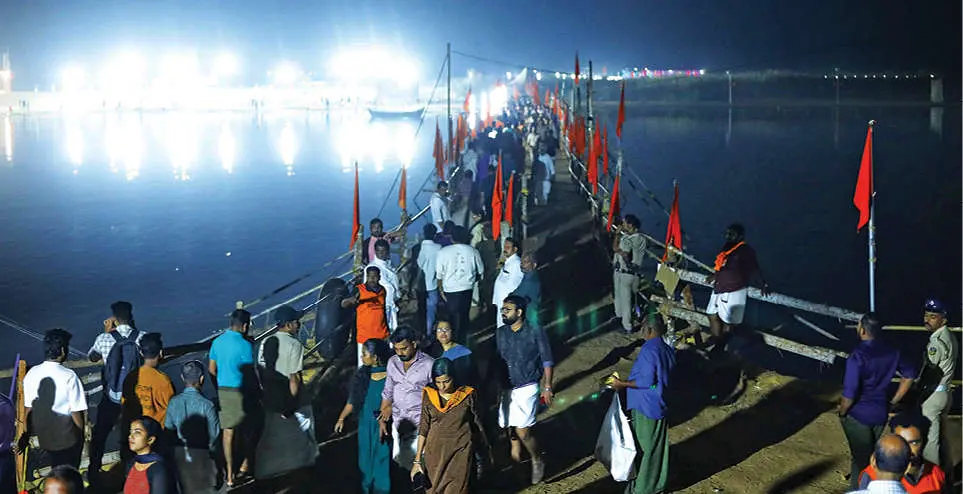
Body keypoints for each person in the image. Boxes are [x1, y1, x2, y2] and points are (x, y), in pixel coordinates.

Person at [837, 313, 916, 490]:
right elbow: (909, 375)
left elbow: (849, 393)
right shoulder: (892, 351)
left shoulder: (857, 356)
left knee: (861, 461)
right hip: (880, 412)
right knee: (870, 456)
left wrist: (842, 412)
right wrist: (893, 401)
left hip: (858, 415)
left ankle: (859, 490)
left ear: (863, 330)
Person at [609, 316, 676, 494]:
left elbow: (646, 381)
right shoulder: (667, 349)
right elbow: (656, 381)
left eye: (643, 327)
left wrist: (621, 384)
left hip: (646, 406)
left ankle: (643, 489)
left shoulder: (649, 350)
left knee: (645, 450)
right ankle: (655, 484)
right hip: (660, 403)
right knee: (657, 448)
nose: (641, 331)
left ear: (648, 329)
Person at [494, 295, 553, 485]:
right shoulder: (501, 333)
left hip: (527, 386)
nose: (503, 312)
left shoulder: (535, 330)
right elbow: (497, 360)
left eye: (507, 309)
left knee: (523, 431)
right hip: (506, 387)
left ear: (519, 312)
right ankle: (517, 472)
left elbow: (547, 359)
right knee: (511, 432)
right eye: (503, 309)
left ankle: (537, 458)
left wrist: (547, 386)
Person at [256, 305, 317, 479]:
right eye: (297, 322)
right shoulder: (295, 344)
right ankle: (305, 471)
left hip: (272, 399)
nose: (299, 324)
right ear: (288, 325)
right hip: (295, 401)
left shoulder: (265, 343)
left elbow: (261, 371)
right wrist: (290, 405)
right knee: (306, 433)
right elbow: (295, 379)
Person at [411, 358, 490, 493]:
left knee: (457, 488)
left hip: (460, 450)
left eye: (446, 381)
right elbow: (424, 427)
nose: (442, 387)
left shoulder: (467, 394)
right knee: (434, 489)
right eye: (438, 382)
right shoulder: (429, 395)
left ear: (454, 377)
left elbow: (477, 423)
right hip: (435, 452)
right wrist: (417, 460)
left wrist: (485, 448)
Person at [16, 329, 87, 469]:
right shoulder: (69, 376)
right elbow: (76, 412)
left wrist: (25, 434)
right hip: (66, 436)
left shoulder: (32, 374)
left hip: (45, 436)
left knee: (56, 469)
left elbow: (28, 409)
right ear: (62, 350)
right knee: (68, 474)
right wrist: (81, 437)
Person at [88, 301, 144, 476]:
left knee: (100, 436)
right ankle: (131, 471)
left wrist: (107, 331)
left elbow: (92, 357)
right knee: (132, 433)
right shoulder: (142, 336)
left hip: (111, 398)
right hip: (134, 398)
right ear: (131, 316)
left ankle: (94, 472)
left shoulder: (104, 338)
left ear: (114, 319)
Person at [335, 339, 393, 494]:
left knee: (382, 459)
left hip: (383, 425)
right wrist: (341, 418)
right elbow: (353, 401)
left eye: (364, 354)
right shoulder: (362, 376)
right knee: (365, 462)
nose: (362, 357)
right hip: (365, 424)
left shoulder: (392, 376)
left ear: (375, 357)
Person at [208, 309, 256, 488]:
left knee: (227, 435)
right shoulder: (245, 345)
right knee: (247, 431)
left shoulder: (217, 342)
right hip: (241, 391)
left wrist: (218, 386)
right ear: (244, 326)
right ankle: (244, 465)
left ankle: (229, 474)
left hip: (223, 391)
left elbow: (212, 370)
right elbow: (249, 373)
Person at [379, 327, 435, 477]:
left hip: (420, 427)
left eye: (404, 348)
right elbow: (388, 391)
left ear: (414, 344)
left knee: (422, 470)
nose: (400, 353)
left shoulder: (429, 364)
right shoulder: (392, 362)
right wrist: (382, 419)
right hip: (399, 425)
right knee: (402, 470)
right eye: (397, 349)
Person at [705, 224, 770, 347]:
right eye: (727, 233)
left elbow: (755, 268)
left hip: (733, 290)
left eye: (731, 234)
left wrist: (763, 283)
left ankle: (719, 347)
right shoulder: (728, 247)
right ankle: (717, 339)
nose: (727, 236)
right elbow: (723, 266)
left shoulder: (746, 251)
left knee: (728, 323)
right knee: (711, 314)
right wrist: (715, 275)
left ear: (740, 236)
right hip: (719, 287)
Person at [164, 361, 221, 494]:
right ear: (202, 379)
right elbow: (214, 436)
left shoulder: (173, 403)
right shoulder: (208, 405)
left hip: (181, 459)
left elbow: (168, 432)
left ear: (182, 378)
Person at [856, 412, 947, 493]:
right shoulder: (873, 474)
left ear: (925, 442)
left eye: (914, 443)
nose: (906, 449)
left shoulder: (937, 474)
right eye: (901, 441)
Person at [917, 298, 958, 472]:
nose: (927, 319)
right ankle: (946, 474)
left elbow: (931, 372)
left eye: (933, 316)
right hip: (945, 392)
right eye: (926, 315)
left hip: (933, 395)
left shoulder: (936, 343)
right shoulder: (950, 336)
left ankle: (930, 478)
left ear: (943, 320)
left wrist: (918, 392)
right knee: (942, 438)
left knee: (930, 442)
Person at [435, 226, 484, 344]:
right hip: (467, 288)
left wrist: (441, 290)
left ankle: (451, 341)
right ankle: (462, 341)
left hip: (449, 290)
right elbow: (480, 271)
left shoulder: (443, 251)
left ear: (452, 238)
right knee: (464, 315)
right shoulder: (473, 251)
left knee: (451, 316)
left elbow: (439, 275)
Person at [121, 333, 175, 428]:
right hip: (157, 430)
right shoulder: (163, 380)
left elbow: (125, 404)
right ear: (161, 353)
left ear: (141, 353)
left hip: (135, 428)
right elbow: (172, 409)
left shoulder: (131, 376)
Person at [342, 266, 390, 367]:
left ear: (379, 277)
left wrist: (388, 332)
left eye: (375, 276)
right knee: (364, 366)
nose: (372, 279)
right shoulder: (359, 290)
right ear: (366, 277)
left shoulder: (382, 290)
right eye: (369, 276)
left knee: (383, 363)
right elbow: (344, 303)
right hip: (365, 336)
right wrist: (350, 301)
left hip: (381, 335)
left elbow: (383, 311)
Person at [612, 215, 646, 333]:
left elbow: (617, 249)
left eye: (624, 223)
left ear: (630, 225)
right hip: (634, 274)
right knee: (625, 299)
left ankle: (627, 326)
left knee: (626, 301)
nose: (622, 225)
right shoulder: (641, 238)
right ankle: (622, 319)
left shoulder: (630, 240)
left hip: (627, 273)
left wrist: (617, 235)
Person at [124, 416, 175, 494]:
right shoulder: (131, 464)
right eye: (130, 432)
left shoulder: (159, 469)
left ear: (150, 439)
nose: (130, 436)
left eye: (137, 432)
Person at [434, 318, 479, 387]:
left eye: (446, 329)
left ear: (452, 332)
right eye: (440, 330)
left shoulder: (464, 353)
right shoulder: (433, 351)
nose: (443, 332)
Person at [417, 224, 443, 338]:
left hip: (421, 285)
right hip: (433, 284)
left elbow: (418, 265)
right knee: (432, 311)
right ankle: (429, 332)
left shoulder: (420, 248)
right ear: (434, 234)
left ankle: (423, 332)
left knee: (422, 309)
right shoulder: (439, 248)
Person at [368, 239, 401, 331]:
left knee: (392, 329)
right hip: (380, 305)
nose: (382, 253)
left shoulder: (389, 264)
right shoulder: (372, 268)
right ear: (375, 251)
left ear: (388, 251)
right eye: (379, 251)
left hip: (391, 303)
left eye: (384, 251)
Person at [492, 237, 524, 324]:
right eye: (504, 247)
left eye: (508, 247)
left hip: (507, 301)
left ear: (515, 249)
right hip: (502, 300)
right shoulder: (508, 261)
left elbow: (517, 283)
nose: (505, 249)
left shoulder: (516, 263)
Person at [512, 252, 542, 329]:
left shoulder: (532, 281)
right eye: (521, 262)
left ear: (534, 265)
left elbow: (524, 298)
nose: (522, 265)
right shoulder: (527, 276)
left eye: (525, 262)